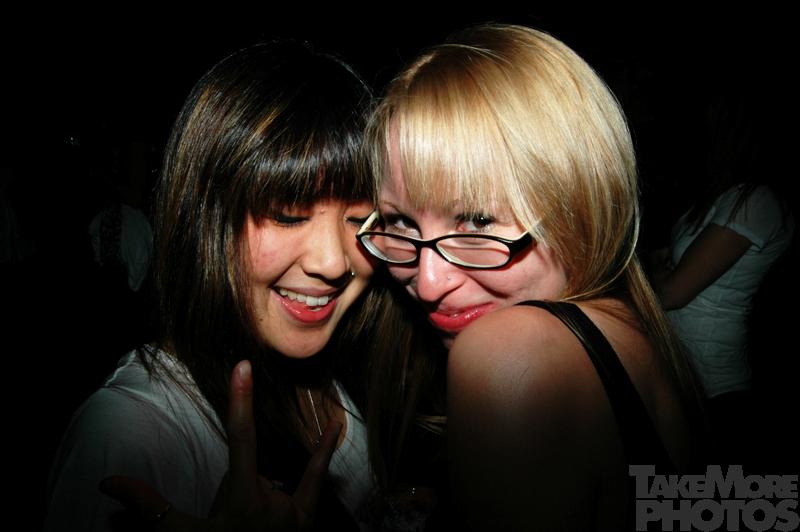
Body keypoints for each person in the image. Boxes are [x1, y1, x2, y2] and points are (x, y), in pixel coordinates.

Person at [358, 24, 703, 530]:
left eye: (478, 220)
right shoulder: (630, 329)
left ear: (580, 205)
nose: (428, 283)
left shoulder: (510, 352)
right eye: (401, 222)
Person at [44, 40, 380, 532]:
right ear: (206, 218)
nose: (333, 261)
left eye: (360, 219)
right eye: (287, 214)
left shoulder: (333, 373)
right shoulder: (128, 433)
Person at [650, 90, 795, 465]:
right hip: (683, 380)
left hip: (717, 388)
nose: (704, 129)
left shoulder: (757, 201)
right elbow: (662, 261)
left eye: (715, 119)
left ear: (739, 131)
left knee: (712, 493)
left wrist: (661, 273)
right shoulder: (722, 197)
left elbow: (673, 292)